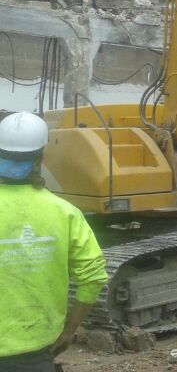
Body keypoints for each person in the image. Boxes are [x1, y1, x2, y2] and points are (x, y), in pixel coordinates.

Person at [0, 112, 108, 372]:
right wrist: (70, 330)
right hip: (35, 352)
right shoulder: (65, 212)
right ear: (41, 158)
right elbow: (93, 278)